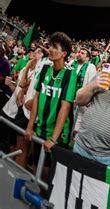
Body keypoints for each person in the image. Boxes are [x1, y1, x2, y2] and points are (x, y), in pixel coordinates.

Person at [24, 32, 78, 179]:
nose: (50, 50)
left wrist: (53, 139)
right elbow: (36, 98)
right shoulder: (44, 69)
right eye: (50, 46)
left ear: (64, 53)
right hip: (40, 128)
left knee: (48, 174)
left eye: (55, 47)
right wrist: (30, 126)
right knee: (36, 166)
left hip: (57, 134)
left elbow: (65, 107)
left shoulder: (69, 74)